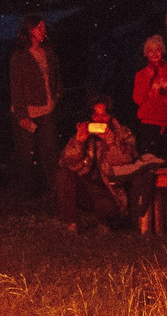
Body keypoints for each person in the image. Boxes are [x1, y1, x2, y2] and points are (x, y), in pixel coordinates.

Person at [57, 99, 153, 233]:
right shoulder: (86, 131)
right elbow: (67, 160)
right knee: (64, 174)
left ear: (111, 116)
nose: (100, 120)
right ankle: (72, 222)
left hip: (111, 191)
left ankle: (104, 220)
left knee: (108, 211)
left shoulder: (123, 133)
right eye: (96, 115)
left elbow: (126, 160)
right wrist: (79, 143)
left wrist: (111, 141)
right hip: (88, 187)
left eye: (104, 115)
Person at [8, 18, 61, 205]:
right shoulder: (19, 57)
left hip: (47, 109)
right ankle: (27, 193)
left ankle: (55, 190)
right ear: (30, 30)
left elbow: (56, 76)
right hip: (28, 110)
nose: (42, 30)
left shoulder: (48, 52)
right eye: (39, 27)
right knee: (27, 154)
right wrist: (21, 114)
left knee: (50, 151)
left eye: (43, 26)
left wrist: (57, 94)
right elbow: (16, 87)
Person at [132, 35, 167, 160]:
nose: (154, 54)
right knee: (150, 163)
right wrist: (148, 78)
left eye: (157, 50)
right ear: (146, 53)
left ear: (163, 52)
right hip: (149, 126)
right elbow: (138, 100)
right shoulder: (141, 74)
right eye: (151, 50)